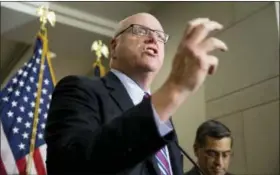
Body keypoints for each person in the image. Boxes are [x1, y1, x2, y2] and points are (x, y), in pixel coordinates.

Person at [45, 12, 228, 175]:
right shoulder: (78, 89)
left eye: (159, 35)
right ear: (114, 47)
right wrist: (174, 89)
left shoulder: (163, 116)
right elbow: (70, 166)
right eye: (141, 31)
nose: (153, 39)